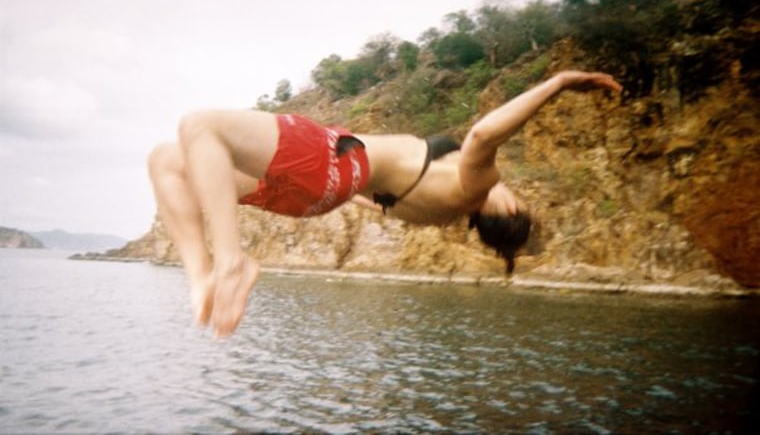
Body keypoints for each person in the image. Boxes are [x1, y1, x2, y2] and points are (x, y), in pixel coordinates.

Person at [147, 70, 622, 337]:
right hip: (318, 196)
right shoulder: (442, 212)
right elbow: (368, 200)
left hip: (329, 163)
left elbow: (483, 134)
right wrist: (334, 190)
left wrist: (557, 83)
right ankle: (201, 277)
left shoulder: (476, 186)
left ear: (510, 210)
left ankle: (226, 262)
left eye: (517, 201)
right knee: (168, 161)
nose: (513, 192)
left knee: (198, 127)